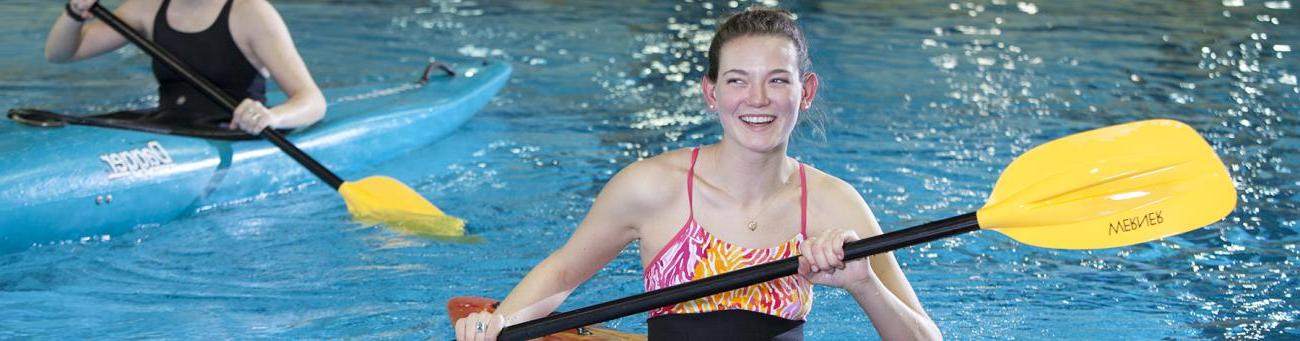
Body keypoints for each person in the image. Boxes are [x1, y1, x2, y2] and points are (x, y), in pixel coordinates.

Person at [455, 7, 941, 341]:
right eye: (737, 81)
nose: (757, 100)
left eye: (777, 80)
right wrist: (498, 324)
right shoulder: (650, 188)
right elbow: (563, 272)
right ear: (711, 93)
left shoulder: (834, 205)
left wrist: (863, 284)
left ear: (806, 91)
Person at [46, 0, 325, 134]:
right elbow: (60, 54)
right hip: (167, 124)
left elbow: (312, 101)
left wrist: (272, 118)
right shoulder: (148, 7)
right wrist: (74, 13)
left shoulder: (251, 12)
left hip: (230, 131)